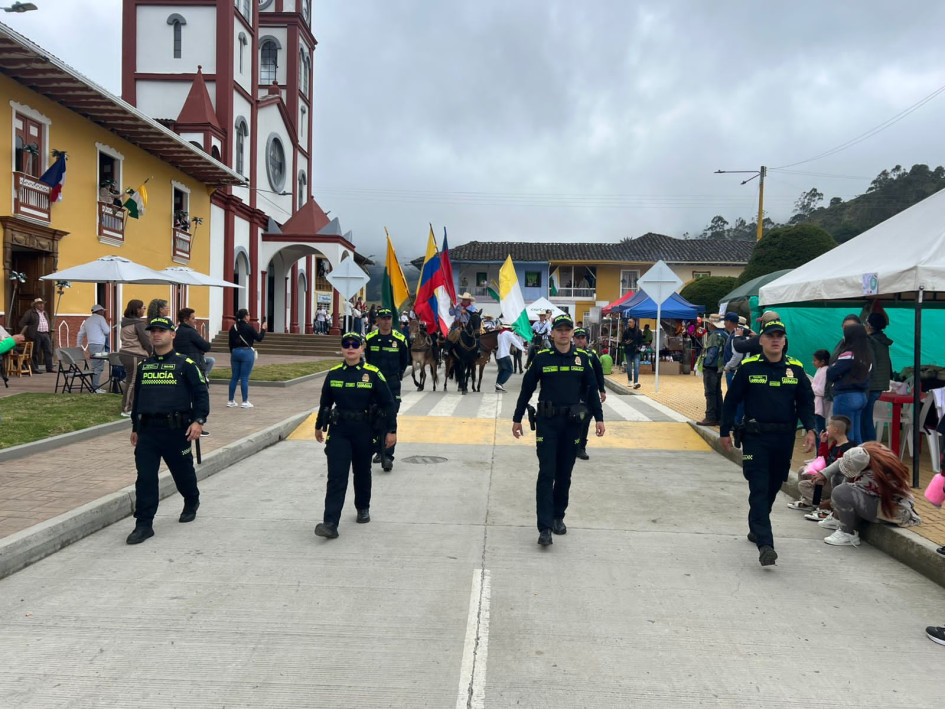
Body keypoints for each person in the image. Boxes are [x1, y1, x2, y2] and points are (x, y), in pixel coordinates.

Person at [720, 318, 816, 567]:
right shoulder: (749, 367)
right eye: (770, 335)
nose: (775, 340)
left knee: (773, 486)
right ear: (760, 340)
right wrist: (724, 431)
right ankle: (766, 544)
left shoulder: (795, 369)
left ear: (784, 341)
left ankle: (757, 526)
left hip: (783, 440)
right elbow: (731, 401)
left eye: (779, 336)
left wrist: (811, 429)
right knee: (759, 486)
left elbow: (806, 402)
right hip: (755, 440)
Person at [512, 314, 605, 547]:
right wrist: (517, 419)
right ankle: (544, 528)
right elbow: (526, 390)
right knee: (546, 473)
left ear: (573, 333)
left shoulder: (582, 358)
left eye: (567, 330)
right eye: (559, 330)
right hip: (547, 423)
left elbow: (592, 391)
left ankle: (557, 517)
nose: (563, 333)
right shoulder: (542, 358)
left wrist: (600, 420)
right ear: (552, 333)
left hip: (572, 425)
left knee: (565, 474)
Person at [125, 316, 209, 545]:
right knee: (146, 479)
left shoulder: (186, 365)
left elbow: (201, 394)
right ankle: (143, 524)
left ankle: (191, 500)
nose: (156, 334)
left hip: (177, 431)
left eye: (162, 330)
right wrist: (135, 427)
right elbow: (138, 398)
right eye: (153, 331)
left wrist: (198, 421)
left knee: (183, 475)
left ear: (173, 334)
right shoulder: (145, 366)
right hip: (148, 432)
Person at [313, 332, 396, 540]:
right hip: (340, 430)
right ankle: (330, 523)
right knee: (336, 477)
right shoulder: (333, 374)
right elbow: (325, 403)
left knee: (361, 471)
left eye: (355, 344)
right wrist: (319, 426)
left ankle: (362, 507)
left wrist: (391, 431)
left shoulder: (373, 373)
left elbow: (388, 404)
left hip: (364, 430)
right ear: (342, 348)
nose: (350, 347)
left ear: (362, 348)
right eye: (346, 344)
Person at [820, 442, 920, 547]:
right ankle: (838, 519)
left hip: (897, 511)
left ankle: (847, 534)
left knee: (841, 492)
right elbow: (843, 463)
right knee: (838, 479)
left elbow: (847, 493)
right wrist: (825, 473)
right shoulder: (866, 451)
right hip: (881, 500)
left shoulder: (877, 474)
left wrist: (831, 503)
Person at [364, 307, 410, 471]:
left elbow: (404, 362)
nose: (385, 321)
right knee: (373, 416)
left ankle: (388, 455)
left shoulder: (400, 339)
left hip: (392, 384)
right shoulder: (370, 338)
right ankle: (379, 450)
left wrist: (396, 376)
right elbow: (367, 360)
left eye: (388, 318)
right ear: (377, 320)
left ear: (392, 320)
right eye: (382, 318)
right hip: (374, 385)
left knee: (391, 416)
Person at [789, 414, 854, 512]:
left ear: (836, 429)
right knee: (802, 470)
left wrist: (822, 475)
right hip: (827, 477)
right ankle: (808, 501)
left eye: (828, 425)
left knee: (803, 485)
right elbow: (823, 460)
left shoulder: (847, 448)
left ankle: (824, 506)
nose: (826, 427)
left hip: (835, 482)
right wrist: (823, 442)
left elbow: (837, 471)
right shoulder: (835, 443)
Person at [826, 322, 872, 445]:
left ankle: (847, 462)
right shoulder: (867, 356)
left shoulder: (848, 355)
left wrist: (835, 370)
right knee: (856, 434)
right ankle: (860, 461)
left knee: (844, 435)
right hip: (861, 396)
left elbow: (831, 373)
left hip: (846, 397)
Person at [573, 327, 607, 460]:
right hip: (573, 392)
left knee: (585, 420)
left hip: (588, 392)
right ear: (573, 339)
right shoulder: (569, 352)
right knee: (573, 421)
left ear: (586, 339)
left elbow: (598, 373)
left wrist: (602, 390)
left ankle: (581, 447)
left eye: (583, 338)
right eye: (578, 337)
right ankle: (570, 445)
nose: (580, 340)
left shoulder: (592, 354)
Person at [697, 314, 734, 426]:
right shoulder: (725, 334)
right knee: (717, 392)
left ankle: (710, 416)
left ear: (712, 324)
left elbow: (712, 353)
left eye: (709, 323)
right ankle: (720, 416)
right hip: (719, 367)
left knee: (710, 393)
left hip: (711, 367)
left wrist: (705, 364)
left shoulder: (714, 336)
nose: (708, 325)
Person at [863, 312, 893, 442]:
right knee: (866, 417)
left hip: (871, 384)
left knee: (865, 418)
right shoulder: (882, 340)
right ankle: (869, 445)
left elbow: (869, 364)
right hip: (879, 384)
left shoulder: (870, 341)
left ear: (869, 326)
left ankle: (870, 446)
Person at [119, 299, 151, 417]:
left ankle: (134, 406)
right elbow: (146, 341)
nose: (144, 310)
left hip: (126, 353)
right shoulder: (138, 324)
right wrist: (151, 352)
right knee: (131, 382)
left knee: (134, 382)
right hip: (134, 354)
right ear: (137, 310)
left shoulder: (125, 322)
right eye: (143, 307)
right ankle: (126, 409)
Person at [227, 308, 265, 408]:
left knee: (234, 377)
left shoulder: (233, 327)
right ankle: (244, 401)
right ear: (245, 317)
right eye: (248, 314)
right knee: (244, 377)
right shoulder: (249, 327)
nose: (249, 316)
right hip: (246, 352)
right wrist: (263, 329)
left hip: (235, 352)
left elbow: (230, 343)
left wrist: (233, 352)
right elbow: (259, 338)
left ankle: (230, 401)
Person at [76, 304, 110, 393]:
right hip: (99, 344)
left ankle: (95, 387)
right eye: (102, 311)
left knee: (95, 366)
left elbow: (80, 334)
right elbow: (107, 331)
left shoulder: (87, 321)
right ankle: (95, 387)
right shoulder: (100, 318)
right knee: (98, 367)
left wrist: (79, 345)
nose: (103, 312)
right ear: (99, 311)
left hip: (91, 345)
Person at [174, 308, 214, 378]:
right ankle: (204, 378)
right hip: (193, 363)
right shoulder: (191, 332)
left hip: (180, 363)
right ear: (185, 320)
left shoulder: (177, 331)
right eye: (193, 318)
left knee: (210, 360)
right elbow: (206, 346)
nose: (195, 321)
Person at [19, 297, 54, 374]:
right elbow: (22, 323)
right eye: (39, 304)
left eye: (42, 304)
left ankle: (49, 368)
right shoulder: (30, 312)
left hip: (45, 333)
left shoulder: (45, 313)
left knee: (48, 351)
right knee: (35, 351)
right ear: (35, 305)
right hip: (36, 334)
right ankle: (35, 368)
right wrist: (30, 332)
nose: (41, 305)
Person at [494, 324, 526, 392]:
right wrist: (524, 350)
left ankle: (498, 384)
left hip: (499, 355)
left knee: (502, 370)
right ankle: (500, 383)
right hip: (504, 354)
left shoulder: (500, 333)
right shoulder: (508, 333)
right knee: (509, 370)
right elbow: (515, 342)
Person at [811, 349, 832, 436]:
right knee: (817, 429)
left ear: (822, 361)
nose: (813, 362)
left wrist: (811, 389)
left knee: (820, 430)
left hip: (820, 405)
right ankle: (819, 448)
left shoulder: (825, 371)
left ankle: (821, 448)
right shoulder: (821, 369)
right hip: (817, 404)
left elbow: (822, 390)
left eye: (815, 360)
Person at [621, 317, 644, 389]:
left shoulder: (639, 331)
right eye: (628, 322)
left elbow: (641, 341)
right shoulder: (626, 331)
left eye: (630, 322)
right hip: (628, 351)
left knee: (636, 366)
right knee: (629, 367)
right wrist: (626, 343)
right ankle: (630, 380)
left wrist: (639, 347)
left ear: (634, 322)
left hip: (636, 351)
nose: (628, 323)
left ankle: (636, 382)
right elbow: (622, 342)